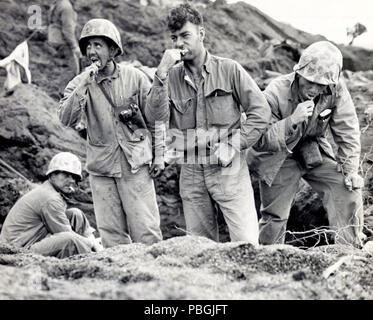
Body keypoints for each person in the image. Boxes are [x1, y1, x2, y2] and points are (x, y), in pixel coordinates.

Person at [145, 4, 271, 245]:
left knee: (246, 243)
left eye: (185, 36)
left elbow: (260, 111)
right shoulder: (170, 77)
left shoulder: (229, 69)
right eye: (174, 38)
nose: (179, 43)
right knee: (199, 247)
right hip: (191, 170)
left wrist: (234, 144)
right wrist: (160, 74)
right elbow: (155, 117)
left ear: (201, 34)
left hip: (229, 168)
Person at [58, 18, 163, 248]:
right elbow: (66, 119)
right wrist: (84, 83)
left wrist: (160, 154)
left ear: (113, 50)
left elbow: (156, 117)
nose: (91, 51)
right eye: (88, 46)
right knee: (111, 235)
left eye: (98, 45)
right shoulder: (78, 83)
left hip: (135, 165)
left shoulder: (135, 77)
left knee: (146, 230)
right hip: (102, 170)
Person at [250, 41, 365, 247]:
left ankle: (349, 250)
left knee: (347, 188)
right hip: (277, 155)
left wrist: (350, 171)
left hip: (312, 149)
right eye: (309, 82)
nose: (314, 89)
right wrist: (292, 120)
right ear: (298, 74)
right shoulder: (276, 92)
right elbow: (259, 139)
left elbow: (347, 130)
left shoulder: (335, 89)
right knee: (275, 215)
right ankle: (268, 258)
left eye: (321, 84)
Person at [0, 152, 102, 258]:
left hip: (31, 239)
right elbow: (66, 234)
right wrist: (91, 243)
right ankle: (95, 253)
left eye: (74, 177)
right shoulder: (50, 198)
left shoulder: (49, 191)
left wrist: (92, 243)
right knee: (70, 239)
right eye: (66, 175)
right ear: (52, 175)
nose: (71, 180)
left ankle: (98, 250)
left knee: (75, 214)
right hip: (17, 250)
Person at [47, 0, 81, 76]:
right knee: (73, 73)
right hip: (63, 42)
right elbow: (67, 30)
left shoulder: (58, 3)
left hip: (53, 39)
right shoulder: (67, 7)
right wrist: (74, 46)